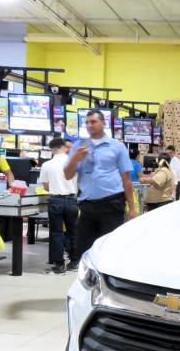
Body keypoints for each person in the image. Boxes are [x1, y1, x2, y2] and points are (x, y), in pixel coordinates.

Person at [65, 109, 135, 259]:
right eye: (87, 122)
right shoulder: (79, 146)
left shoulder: (116, 146)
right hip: (87, 205)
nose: (90, 125)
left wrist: (132, 209)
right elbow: (68, 174)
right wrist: (75, 158)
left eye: (93, 122)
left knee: (110, 248)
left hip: (112, 203)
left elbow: (126, 179)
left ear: (103, 123)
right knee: (83, 249)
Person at [38, 138, 79, 274]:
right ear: (64, 147)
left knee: (56, 233)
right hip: (73, 200)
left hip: (55, 200)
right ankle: (74, 262)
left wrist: (56, 186)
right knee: (73, 232)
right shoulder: (75, 162)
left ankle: (59, 265)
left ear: (52, 149)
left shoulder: (47, 164)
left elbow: (45, 186)